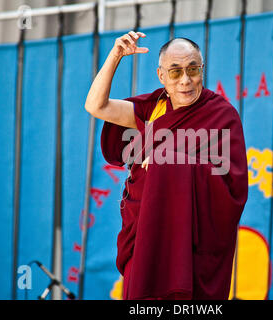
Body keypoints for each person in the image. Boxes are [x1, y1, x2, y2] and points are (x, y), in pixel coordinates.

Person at [85, 31, 248, 300]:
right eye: (175, 72)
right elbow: (96, 105)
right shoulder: (153, 110)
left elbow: (232, 188)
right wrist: (115, 56)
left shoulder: (221, 115)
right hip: (147, 237)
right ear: (161, 76)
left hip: (192, 248)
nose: (186, 80)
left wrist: (167, 161)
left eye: (193, 69)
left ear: (202, 70)